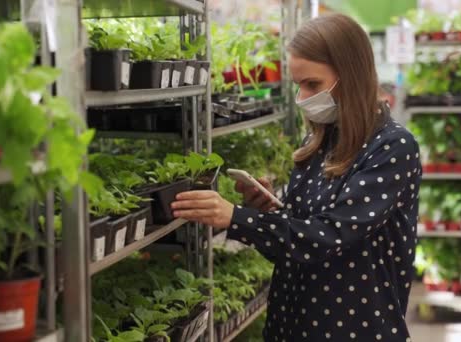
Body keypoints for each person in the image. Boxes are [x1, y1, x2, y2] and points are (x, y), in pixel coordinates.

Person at [172, 13, 421, 342]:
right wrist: (268, 211)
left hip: (354, 330)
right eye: (299, 85)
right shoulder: (318, 143)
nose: (303, 97)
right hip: (292, 326)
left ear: (350, 74)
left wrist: (236, 218)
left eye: (312, 84)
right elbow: (294, 249)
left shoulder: (392, 147)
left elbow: (331, 236)